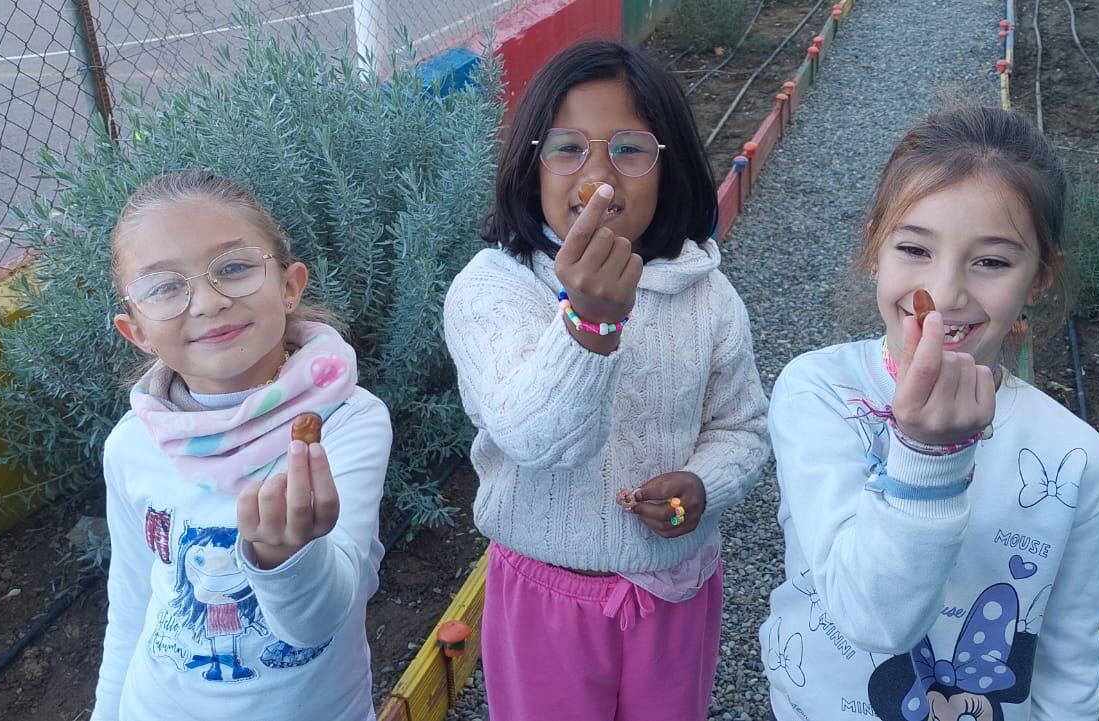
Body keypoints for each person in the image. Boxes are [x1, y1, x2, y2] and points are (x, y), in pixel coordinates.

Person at [442, 41, 771, 720]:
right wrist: (589, 326)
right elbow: (534, 438)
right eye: (567, 148)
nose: (598, 179)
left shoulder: (707, 296)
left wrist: (703, 485)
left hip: (674, 590)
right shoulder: (493, 289)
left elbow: (742, 427)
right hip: (546, 597)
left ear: (670, 167)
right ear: (529, 164)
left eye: (630, 150)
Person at [761, 106, 1099, 721]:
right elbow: (873, 619)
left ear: (1040, 278)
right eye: (913, 248)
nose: (946, 292)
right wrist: (928, 458)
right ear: (875, 247)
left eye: (992, 261)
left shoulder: (1073, 458)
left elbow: (1069, 657)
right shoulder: (819, 394)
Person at [94, 170, 389, 721]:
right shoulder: (133, 444)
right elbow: (131, 601)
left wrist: (288, 559)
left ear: (289, 286)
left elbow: (323, 619)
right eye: (164, 287)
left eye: (233, 268)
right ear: (137, 332)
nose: (207, 302)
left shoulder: (345, 421)